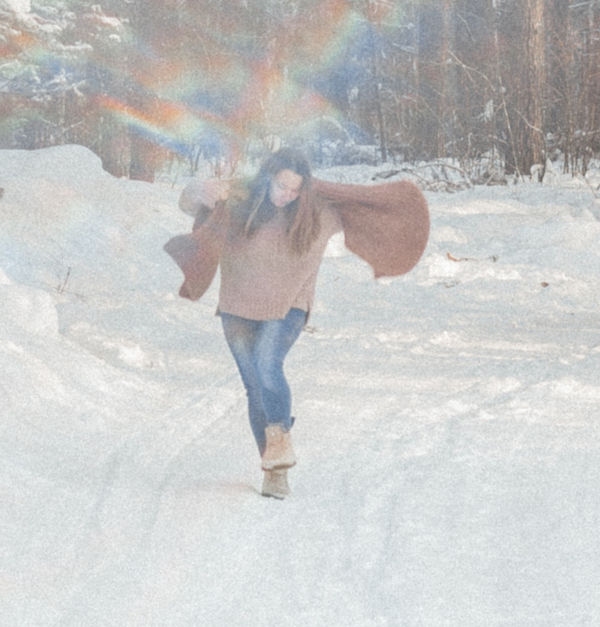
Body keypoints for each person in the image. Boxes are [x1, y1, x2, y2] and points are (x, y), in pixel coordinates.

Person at [167, 147, 429, 499]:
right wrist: (202, 189)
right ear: (266, 179)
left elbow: (366, 210)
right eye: (281, 186)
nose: (287, 196)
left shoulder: (316, 209)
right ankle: (274, 467)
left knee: (266, 363)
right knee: (254, 387)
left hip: (289, 305)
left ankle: (279, 449)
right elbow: (189, 203)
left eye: (295, 189)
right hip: (237, 306)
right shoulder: (240, 199)